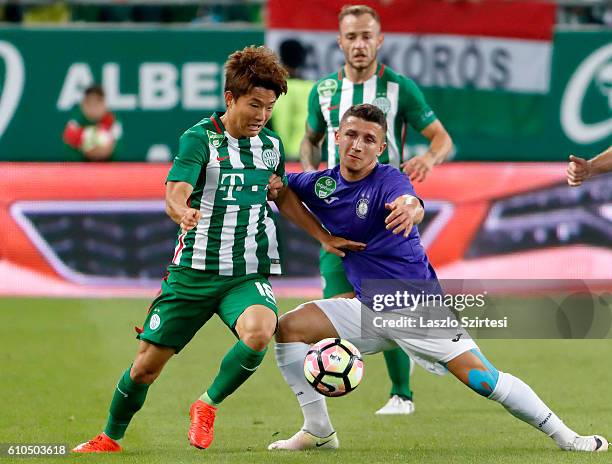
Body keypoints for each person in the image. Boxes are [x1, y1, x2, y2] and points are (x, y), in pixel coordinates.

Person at [72, 46, 364, 454]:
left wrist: (322, 236)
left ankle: (206, 404)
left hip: (245, 274)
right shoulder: (199, 139)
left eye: (269, 106)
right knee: (145, 369)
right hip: (191, 274)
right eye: (254, 105)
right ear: (230, 99)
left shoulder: (271, 146)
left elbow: (282, 197)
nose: (263, 115)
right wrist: (180, 211)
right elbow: (175, 191)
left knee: (262, 331)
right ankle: (111, 436)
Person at [268, 104, 608, 452]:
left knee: (484, 380)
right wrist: (321, 235)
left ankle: (569, 438)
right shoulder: (322, 184)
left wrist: (410, 210)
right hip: (367, 308)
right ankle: (319, 431)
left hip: (415, 308)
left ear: (381, 148)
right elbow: (280, 189)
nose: (358, 145)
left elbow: (411, 202)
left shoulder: (388, 179)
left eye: (369, 139)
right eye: (351, 135)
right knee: (289, 327)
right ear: (337, 137)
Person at [301, 4, 453, 415]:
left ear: (379, 40)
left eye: (367, 36)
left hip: (387, 214)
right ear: (340, 41)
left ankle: (401, 394)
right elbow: (310, 139)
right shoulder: (324, 91)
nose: (360, 44)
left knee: (391, 304)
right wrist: (311, 170)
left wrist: (429, 159)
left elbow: (441, 138)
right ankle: (321, 411)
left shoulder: (400, 87)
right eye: (351, 37)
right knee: (336, 304)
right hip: (338, 214)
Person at [270, 39, 313, 161]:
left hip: (277, 157)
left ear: (281, 58)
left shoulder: (273, 89)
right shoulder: (312, 88)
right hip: (306, 158)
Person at [63, 84, 122, 161]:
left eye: (97, 104)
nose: (93, 108)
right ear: (83, 105)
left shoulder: (112, 120)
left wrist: (105, 151)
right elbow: (69, 154)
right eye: (89, 103)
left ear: (104, 105)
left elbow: (117, 151)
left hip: (109, 170)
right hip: (81, 170)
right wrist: (89, 152)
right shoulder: (75, 123)